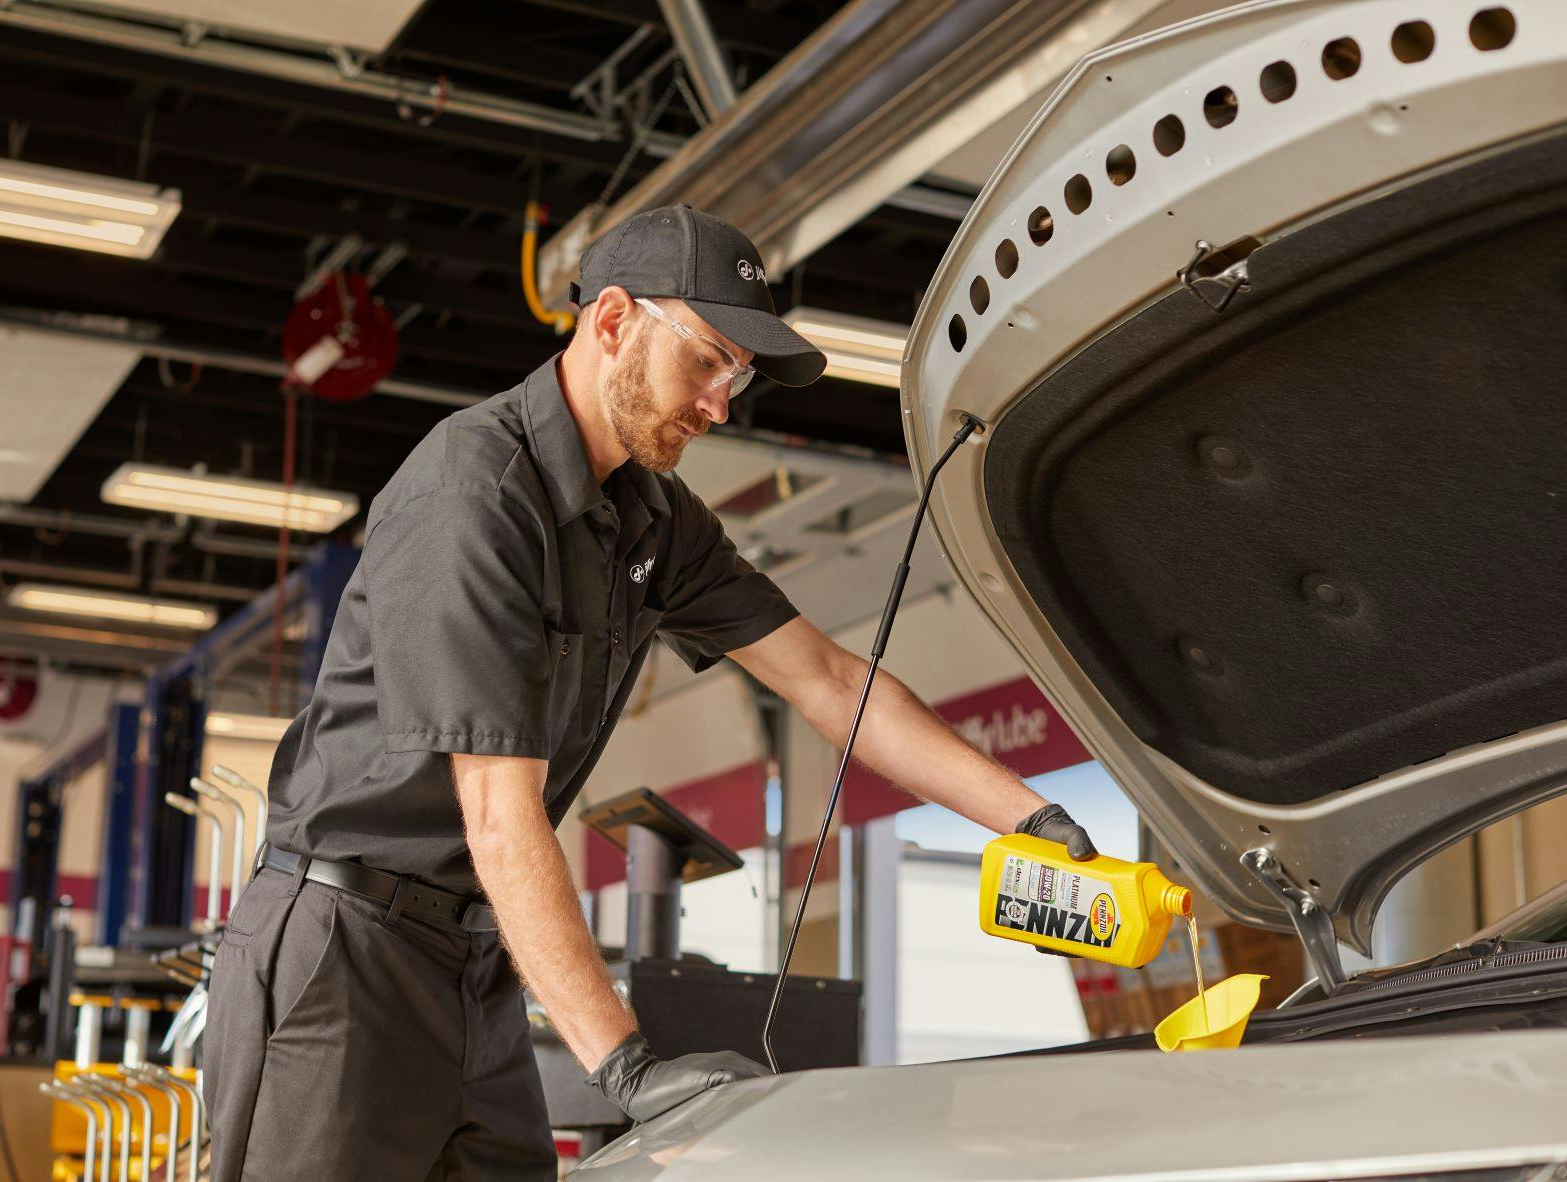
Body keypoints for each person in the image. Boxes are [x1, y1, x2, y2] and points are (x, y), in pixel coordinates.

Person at [202, 203, 1095, 1180]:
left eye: (738, 379)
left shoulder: (654, 522)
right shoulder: (474, 497)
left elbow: (830, 681)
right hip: (343, 956)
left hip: (473, 961)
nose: (720, 404)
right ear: (615, 321)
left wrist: (1034, 820)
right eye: (708, 359)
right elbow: (499, 815)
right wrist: (622, 1065)